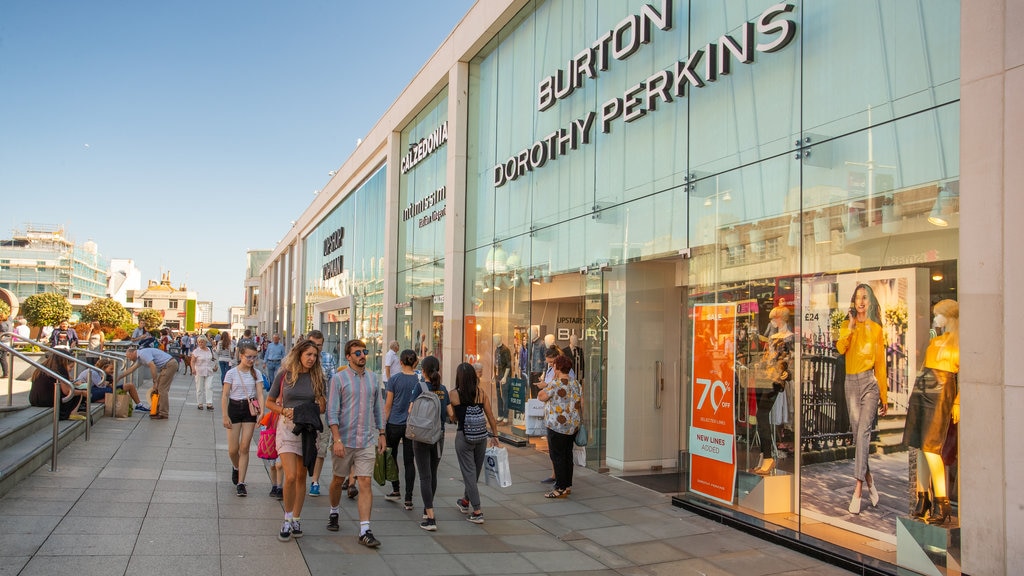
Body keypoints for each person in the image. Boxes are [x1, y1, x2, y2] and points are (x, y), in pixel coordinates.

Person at [903, 299, 959, 526]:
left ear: (949, 316)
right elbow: (924, 368)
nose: (935, 318)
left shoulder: (960, 343)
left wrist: (958, 403)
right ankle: (922, 497)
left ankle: (941, 501)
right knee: (919, 445)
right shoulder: (936, 342)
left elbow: (962, 377)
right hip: (923, 388)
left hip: (943, 392)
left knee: (931, 447)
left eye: (938, 315)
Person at [325, 339, 386, 547]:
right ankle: (334, 511)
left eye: (364, 351)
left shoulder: (373, 378)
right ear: (349, 357)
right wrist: (337, 439)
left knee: (365, 482)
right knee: (337, 480)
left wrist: (382, 433)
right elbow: (332, 412)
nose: (362, 355)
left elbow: (378, 407)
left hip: (367, 439)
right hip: (344, 439)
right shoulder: (338, 379)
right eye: (357, 352)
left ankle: (365, 529)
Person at [265, 339, 327, 542]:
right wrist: (284, 410)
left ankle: (297, 518)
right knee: (290, 476)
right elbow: (269, 402)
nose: (312, 358)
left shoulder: (318, 377)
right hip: (287, 427)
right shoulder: (285, 374)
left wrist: (319, 401)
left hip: (307, 430)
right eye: (308, 354)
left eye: (315, 355)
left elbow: (323, 406)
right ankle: (287, 517)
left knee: (301, 477)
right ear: (299, 354)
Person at [835, 283, 888, 514]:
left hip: (869, 384)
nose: (861, 301)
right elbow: (840, 348)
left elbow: (881, 364)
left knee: (864, 433)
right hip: (851, 382)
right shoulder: (848, 326)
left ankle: (857, 490)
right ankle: (870, 482)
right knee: (859, 439)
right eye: (858, 297)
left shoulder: (876, 329)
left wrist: (884, 396)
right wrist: (850, 327)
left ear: (870, 301)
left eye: (865, 297)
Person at [450, 362, 500, 524]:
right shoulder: (481, 393)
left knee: (469, 474)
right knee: (474, 473)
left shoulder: (454, 394)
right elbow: (491, 416)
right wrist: (495, 436)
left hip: (464, 438)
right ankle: (465, 501)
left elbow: (454, 418)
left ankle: (477, 511)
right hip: (481, 437)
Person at [411, 355, 453, 531]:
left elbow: (410, 410)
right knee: (433, 474)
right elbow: (451, 414)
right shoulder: (443, 389)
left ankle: (430, 517)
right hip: (439, 436)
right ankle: (427, 508)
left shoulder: (419, 387)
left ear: (424, 371)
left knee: (424, 476)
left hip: (421, 436)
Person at [750, 306, 793, 475]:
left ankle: (768, 457)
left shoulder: (789, 338)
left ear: (781, 319)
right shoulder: (773, 337)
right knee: (760, 416)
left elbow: (787, 362)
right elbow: (768, 358)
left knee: (762, 415)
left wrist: (785, 374)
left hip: (774, 381)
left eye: (774, 319)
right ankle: (764, 455)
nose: (772, 322)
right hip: (765, 378)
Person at [221, 342, 265, 497]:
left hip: (249, 410)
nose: (251, 360)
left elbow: (260, 393)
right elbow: (225, 394)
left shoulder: (256, 374)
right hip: (234, 408)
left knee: (244, 447)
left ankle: (241, 483)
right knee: (233, 450)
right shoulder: (231, 373)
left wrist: (262, 411)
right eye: (248, 357)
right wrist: (225, 415)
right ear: (241, 356)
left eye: (254, 357)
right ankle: (236, 466)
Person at [538, 355, 582, 498]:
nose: (553, 368)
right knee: (568, 455)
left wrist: (544, 387)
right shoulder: (575, 383)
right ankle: (567, 484)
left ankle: (560, 487)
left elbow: (542, 396)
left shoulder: (555, 384)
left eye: (554, 365)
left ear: (558, 367)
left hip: (556, 425)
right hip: (572, 425)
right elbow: (581, 402)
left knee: (557, 456)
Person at [383, 349, 420, 510]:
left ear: (401, 362)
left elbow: (388, 405)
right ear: (415, 362)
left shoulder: (394, 379)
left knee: (391, 456)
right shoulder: (419, 381)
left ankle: (396, 488)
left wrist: (382, 428)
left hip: (394, 423)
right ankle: (409, 498)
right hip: (411, 424)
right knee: (409, 461)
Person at [306, 330, 334, 497]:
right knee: (303, 445)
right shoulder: (300, 359)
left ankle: (315, 480)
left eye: (319, 346)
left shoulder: (328, 359)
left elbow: (333, 383)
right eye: (313, 345)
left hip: (323, 408)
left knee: (321, 446)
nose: (316, 350)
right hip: (304, 409)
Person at [116, 345, 177, 420]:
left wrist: (155, 382)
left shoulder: (142, 354)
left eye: (129, 357)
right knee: (158, 389)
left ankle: (163, 413)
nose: (129, 359)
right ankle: (157, 410)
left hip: (169, 365)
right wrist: (119, 377)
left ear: (133, 353)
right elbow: (131, 369)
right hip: (167, 365)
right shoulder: (140, 357)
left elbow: (152, 366)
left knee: (162, 389)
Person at [28, 352, 85, 420]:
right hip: (48, 401)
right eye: (71, 367)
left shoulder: (42, 368)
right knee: (77, 392)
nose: (71, 369)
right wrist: (82, 392)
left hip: (34, 399)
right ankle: (72, 413)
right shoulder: (60, 370)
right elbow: (67, 391)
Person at [190, 336, 218, 410]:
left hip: (209, 370)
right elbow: (192, 361)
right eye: (199, 342)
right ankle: (200, 403)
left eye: (202, 342)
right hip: (199, 371)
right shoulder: (196, 351)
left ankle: (209, 403)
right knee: (199, 388)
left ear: (206, 342)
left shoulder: (209, 350)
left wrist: (215, 366)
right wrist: (193, 369)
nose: (200, 343)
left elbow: (213, 359)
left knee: (209, 387)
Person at [493, 334, 511, 424]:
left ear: (500, 339)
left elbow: (508, 365)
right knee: (498, 396)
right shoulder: (496, 350)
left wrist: (505, 377)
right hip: (498, 376)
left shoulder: (506, 350)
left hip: (504, 376)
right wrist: (494, 375)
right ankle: (500, 415)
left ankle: (506, 417)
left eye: (495, 339)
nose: (494, 340)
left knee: (504, 397)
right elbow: (496, 364)